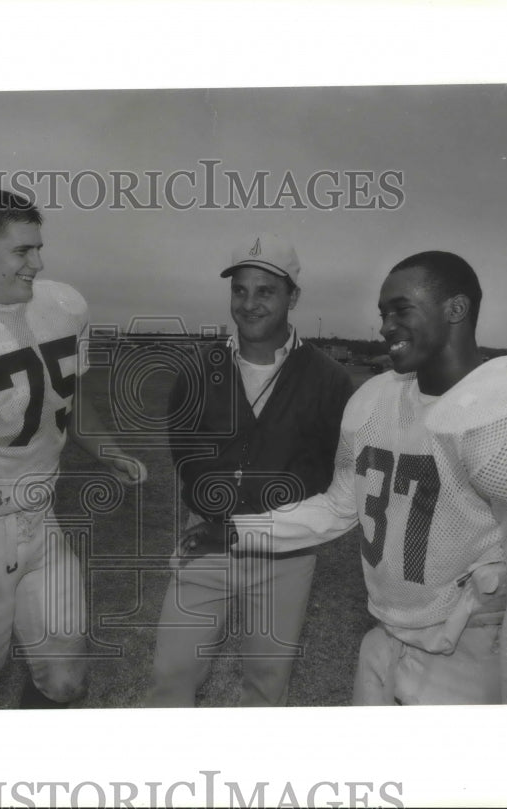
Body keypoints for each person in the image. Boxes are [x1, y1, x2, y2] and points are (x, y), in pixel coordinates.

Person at [193, 250, 507, 704]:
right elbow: (337, 506)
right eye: (383, 314)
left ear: (456, 309)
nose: (386, 326)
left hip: (468, 651)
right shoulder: (374, 401)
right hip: (385, 640)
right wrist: (237, 531)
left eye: (402, 309)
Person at [0, 187, 147, 708]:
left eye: (38, 248)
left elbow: (67, 397)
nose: (38, 263)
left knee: (65, 676)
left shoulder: (61, 306)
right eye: (22, 251)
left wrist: (108, 450)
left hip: (44, 519)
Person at [147, 232, 355, 707]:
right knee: (171, 670)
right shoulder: (199, 369)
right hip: (206, 541)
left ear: (293, 297)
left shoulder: (329, 379)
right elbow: (184, 453)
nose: (249, 303)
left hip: (285, 551)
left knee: (266, 681)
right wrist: (208, 507)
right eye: (240, 290)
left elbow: (337, 476)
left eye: (266, 291)